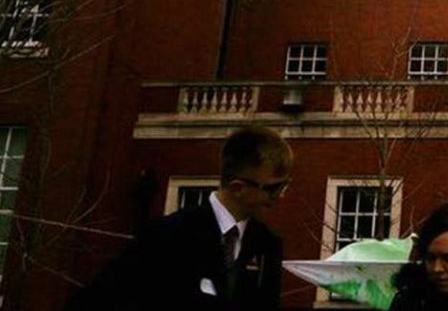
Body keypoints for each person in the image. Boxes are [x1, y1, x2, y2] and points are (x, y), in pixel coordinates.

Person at [65, 125, 293, 311]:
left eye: (283, 186)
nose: (280, 197)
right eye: (273, 189)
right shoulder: (166, 235)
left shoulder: (267, 246)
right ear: (238, 188)